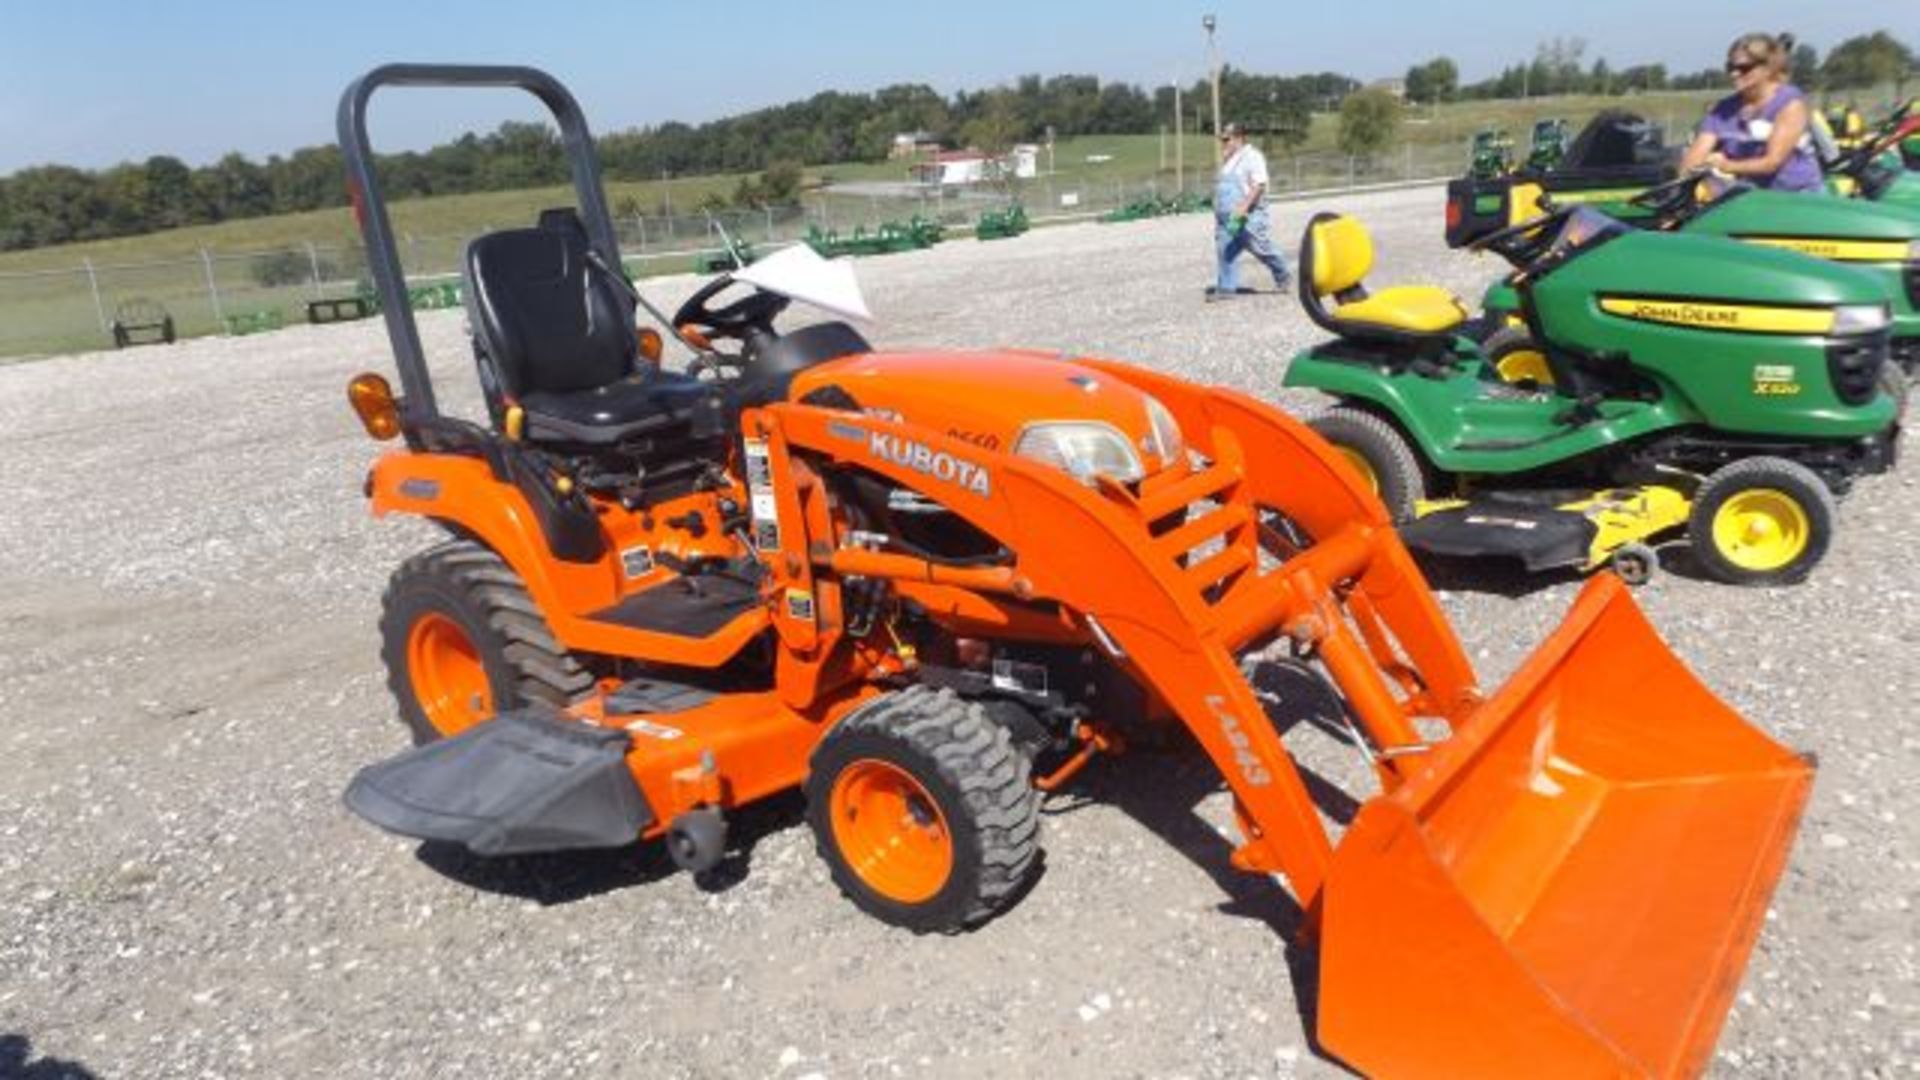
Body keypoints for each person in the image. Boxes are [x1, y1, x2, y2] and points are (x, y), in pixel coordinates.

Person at [1680, 31, 1824, 192]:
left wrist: (1725, 166)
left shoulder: (1789, 104)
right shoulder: (1721, 111)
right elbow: (1693, 159)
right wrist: (1680, 192)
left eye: (1744, 68)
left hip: (1796, 197)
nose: (1734, 74)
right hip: (1750, 198)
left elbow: (1772, 162)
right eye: (1730, 67)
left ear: (1768, 68)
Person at [1207, 122, 1291, 301]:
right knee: (1225, 248)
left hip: (1247, 215)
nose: (1223, 143)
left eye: (1226, 139)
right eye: (1222, 139)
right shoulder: (1230, 160)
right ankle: (1226, 288)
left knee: (1260, 248)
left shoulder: (1253, 156)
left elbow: (1259, 184)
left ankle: (1282, 273)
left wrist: (1243, 207)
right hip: (1227, 217)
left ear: (1239, 138)